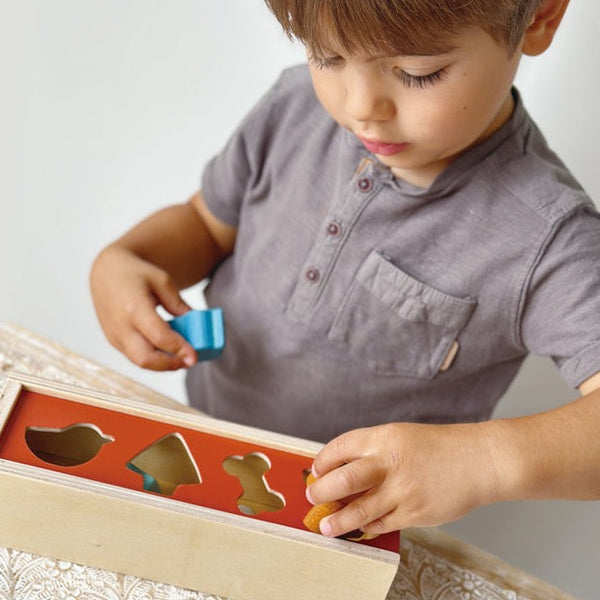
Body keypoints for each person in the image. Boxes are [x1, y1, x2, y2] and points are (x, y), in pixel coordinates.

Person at [90, 0, 600, 542]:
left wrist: (485, 462)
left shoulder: (547, 235)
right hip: (197, 446)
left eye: (416, 73)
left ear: (541, 16)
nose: (361, 109)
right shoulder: (293, 107)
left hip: (342, 530)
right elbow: (206, 222)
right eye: (328, 58)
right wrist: (127, 259)